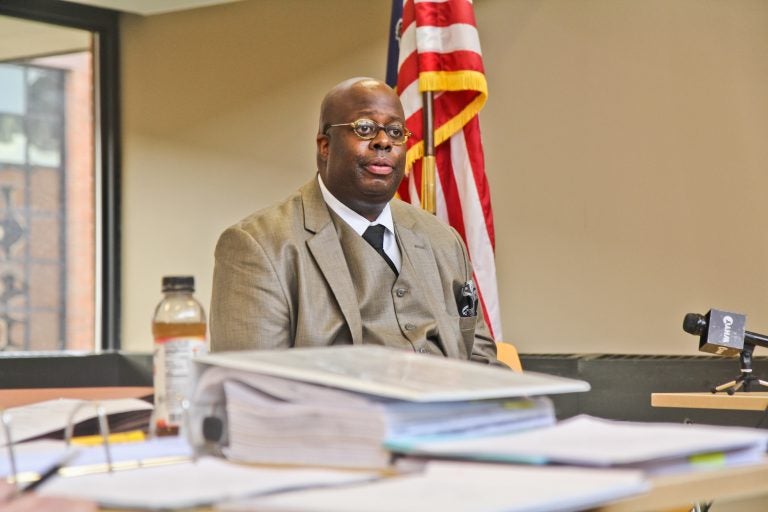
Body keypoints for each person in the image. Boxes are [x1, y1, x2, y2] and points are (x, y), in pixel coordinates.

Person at [210, 77, 500, 365]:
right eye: (365, 128)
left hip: (454, 407)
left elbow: (481, 357)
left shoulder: (443, 240)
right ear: (325, 145)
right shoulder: (259, 246)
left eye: (396, 131)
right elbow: (254, 389)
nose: (384, 141)